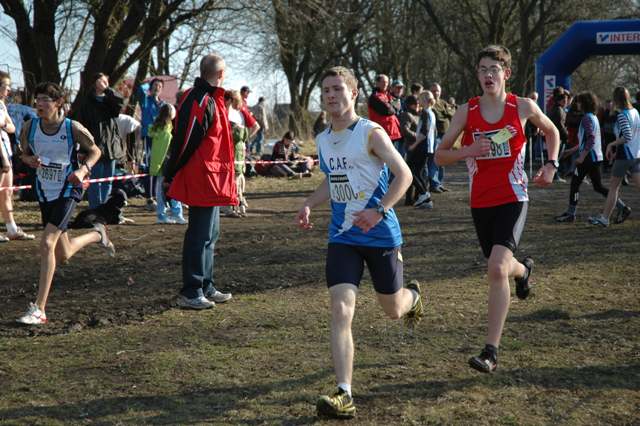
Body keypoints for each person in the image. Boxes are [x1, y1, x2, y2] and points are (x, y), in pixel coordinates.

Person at [297, 66, 424, 419]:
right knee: (340, 309)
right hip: (342, 237)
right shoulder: (323, 139)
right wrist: (309, 202)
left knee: (393, 310)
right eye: (326, 90)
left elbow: (405, 175)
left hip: (380, 234)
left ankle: (412, 297)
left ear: (353, 93)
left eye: (338, 88)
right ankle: (344, 393)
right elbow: (332, 181)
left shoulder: (371, 133)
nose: (331, 95)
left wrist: (379, 210)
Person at [435, 45, 560, 373]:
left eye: (494, 69)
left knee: (494, 268)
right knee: (502, 267)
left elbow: (552, 131)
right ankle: (525, 270)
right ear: (477, 75)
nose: (488, 75)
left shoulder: (522, 107)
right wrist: (469, 150)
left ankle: (490, 351)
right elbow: (439, 155)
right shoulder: (468, 111)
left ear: (506, 73)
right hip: (481, 202)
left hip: (514, 197)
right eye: (482, 69)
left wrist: (551, 165)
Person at [16, 82, 114, 325]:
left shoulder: (72, 128)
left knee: (47, 242)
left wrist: (83, 171)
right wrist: (30, 160)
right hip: (45, 191)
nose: (39, 104)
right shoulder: (30, 127)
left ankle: (39, 308)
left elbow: (96, 151)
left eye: (44, 100)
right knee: (64, 253)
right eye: (37, 99)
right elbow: (22, 154)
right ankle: (97, 234)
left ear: (58, 103)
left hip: (69, 189)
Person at [164, 53, 235, 310]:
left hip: (213, 178)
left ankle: (206, 285)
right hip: (202, 178)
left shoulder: (212, 99)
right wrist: (170, 172)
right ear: (219, 74)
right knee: (199, 235)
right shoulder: (200, 99)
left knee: (211, 235)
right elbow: (185, 140)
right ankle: (191, 290)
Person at [554, 92, 626, 223]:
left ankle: (571, 213)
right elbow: (587, 140)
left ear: (585, 103)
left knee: (575, 184)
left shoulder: (587, 118)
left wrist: (581, 157)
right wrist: (571, 151)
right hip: (596, 158)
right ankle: (622, 206)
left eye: (579, 101)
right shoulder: (593, 117)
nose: (577, 104)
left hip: (588, 158)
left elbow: (591, 139)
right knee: (598, 186)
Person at [588, 87, 639, 227]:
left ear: (616, 99)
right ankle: (605, 217)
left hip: (625, 156)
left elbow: (627, 136)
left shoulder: (622, 115)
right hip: (636, 155)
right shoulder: (635, 112)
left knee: (613, 187)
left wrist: (611, 144)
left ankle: (604, 218)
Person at [73, 72, 125, 209]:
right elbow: (81, 126)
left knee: (108, 180)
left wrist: (108, 90)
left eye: (105, 81)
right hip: (93, 146)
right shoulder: (87, 102)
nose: (104, 83)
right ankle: (95, 208)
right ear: (95, 82)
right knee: (95, 180)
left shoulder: (110, 101)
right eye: (101, 81)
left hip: (111, 146)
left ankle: (105, 208)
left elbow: (120, 103)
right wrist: (83, 149)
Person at [0, 70, 34, 242]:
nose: (9, 91)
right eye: (6, 86)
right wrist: (3, 159)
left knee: (6, 193)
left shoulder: (2, 105)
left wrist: (4, 123)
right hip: (1, 156)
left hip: (6, 151)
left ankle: (12, 229)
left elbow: (12, 127)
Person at [149, 103, 185, 224]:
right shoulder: (166, 132)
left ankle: (163, 215)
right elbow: (165, 151)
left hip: (160, 165)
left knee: (161, 192)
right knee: (171, 190)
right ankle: (174, 214)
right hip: (166, 165)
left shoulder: (157, 128)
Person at [137, 78, 165, 210]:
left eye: (159, 86)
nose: (157, 88)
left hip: (161, 139)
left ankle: (158, 196)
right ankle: (149, 198)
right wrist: (148, 85)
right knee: (149, 167)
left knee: (158, 167)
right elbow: (139, 90)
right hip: (149, 138)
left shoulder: (163, 104)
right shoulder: (146, 100)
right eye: (155, 85)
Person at [225, 89, 249, 217]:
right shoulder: (232, 113)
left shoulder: (235, 114)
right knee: (236, 182)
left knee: (236, 181)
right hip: (236, 152)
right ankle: (236, 205)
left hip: (235, 152)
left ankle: (236, 205)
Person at [368, 75, 403, 157]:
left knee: (394, 159)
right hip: (382, 133)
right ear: (377, 83)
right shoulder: (374, 96)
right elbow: (387, 110)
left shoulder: (387, 95)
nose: (385, 84)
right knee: (385, 159)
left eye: (387, 82)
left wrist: (391, 105)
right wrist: (392, 106)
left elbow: (397, 107)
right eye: (383, 82)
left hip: (393, 133)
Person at [430, 82, 455, 192]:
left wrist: (447, 112)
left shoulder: (443, 102)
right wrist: (446, 113)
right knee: (435, 160)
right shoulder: (431, 103)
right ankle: (434, 184)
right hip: (436, 135)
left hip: (446, 135)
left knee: (443, 160)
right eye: (434, 90)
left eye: (438, 91)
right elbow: (439, 117)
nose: (436, 93)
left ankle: (440, 183)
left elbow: (453, 113)